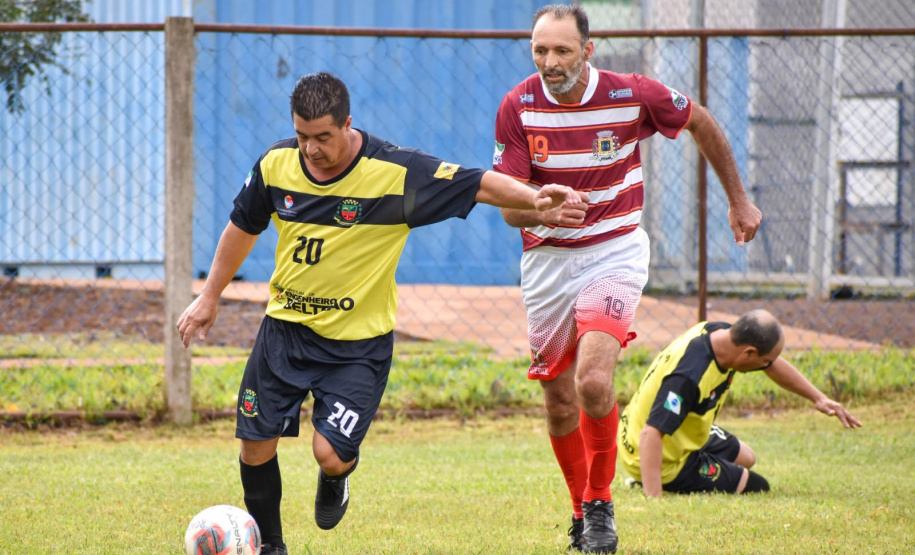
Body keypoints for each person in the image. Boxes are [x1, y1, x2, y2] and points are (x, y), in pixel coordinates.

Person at [176, 72, 583, 555]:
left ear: (347, 124)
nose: (310, 149)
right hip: (284, 332)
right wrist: (209, 296)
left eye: (323, 137)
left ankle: (337, 477)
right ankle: (272, 548)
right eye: (302, 136)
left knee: (329, 454)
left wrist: (535, 199)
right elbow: (242, 226)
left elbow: (476, 183)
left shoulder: (395, 172)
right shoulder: (276, 164)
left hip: (356, 348)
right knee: (255, 445)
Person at [492, 4, 763, 554]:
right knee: (559, 401)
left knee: (593, 383)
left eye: (562, 50)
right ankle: (578, 511)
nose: (550, 61)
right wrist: (542, 208)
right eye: (540, 50)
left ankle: (600, 505)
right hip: (548, 263)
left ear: (588, 50)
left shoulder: (630, 93)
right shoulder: (517, 106)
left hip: (613, 253)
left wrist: (738, 199)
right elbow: (508, 207)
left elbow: (700, 121)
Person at [617, 309, 862, 500]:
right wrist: (655, 499)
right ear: (748, 353)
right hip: (650, 451)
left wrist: (819, 398)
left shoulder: (721, 334)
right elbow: (651, 434)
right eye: (764, 362)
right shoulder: (689, 377)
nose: (767, 367)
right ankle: (647, 479)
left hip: (678, 430)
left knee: (747, 457)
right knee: (756, 485)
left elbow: (773, 364)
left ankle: (692, 460)